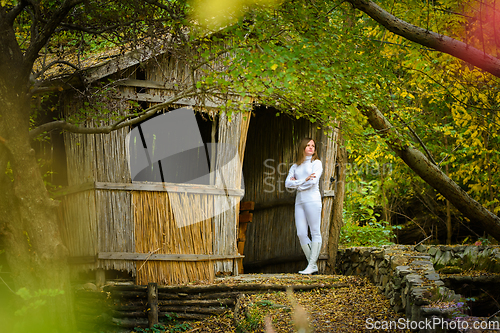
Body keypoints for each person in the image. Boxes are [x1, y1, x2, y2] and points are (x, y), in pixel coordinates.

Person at [285, 138, 323, 275]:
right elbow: (287, 184)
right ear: (302, 148)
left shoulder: (316, 163)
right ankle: (312, 265)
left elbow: (312, 183)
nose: (311, 148)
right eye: (308, 145)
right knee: (301, 233)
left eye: (313, 145)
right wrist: (303, 180)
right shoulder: (295, 166)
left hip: (312, 199)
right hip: (299, 201)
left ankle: (311, 265)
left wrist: (298, 185)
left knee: (315, 231)